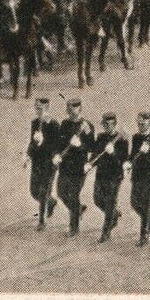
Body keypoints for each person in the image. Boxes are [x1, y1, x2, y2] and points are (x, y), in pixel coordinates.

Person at [55, 97, 94, 237]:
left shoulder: (87, 126)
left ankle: (74, 227)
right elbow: (59, 142)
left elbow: (91, 147)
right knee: (61, 193)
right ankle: (78, 209)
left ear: (80, 109)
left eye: (74, 109)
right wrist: (57, 155)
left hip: (78, 166)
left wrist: (80, 145)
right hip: (65, 165)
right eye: (69, 109)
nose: (71, 112)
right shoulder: (64, 124)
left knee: (73, 194)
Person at [90, 112, 129, 243]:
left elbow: (122, 160)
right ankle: (114, 214)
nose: (107, 127)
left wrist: (113, 153)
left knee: (110, 203)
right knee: (97, 200)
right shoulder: (101, 137)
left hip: (114, 176)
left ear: (115, 124)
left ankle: (105, 232)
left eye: (109, 124)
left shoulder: (122, 140)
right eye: (105, 125)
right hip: (101, 174)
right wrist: (89, 163)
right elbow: (96, 154)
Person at [26, 97, 60, 231]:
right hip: (37, 162)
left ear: (47, 109)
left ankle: (41, 221)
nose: (38, 111)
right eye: (36, 108)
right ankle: (51, 202)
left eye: (40, 109)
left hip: (49, 162)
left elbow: (57, 146)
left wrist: (42, 142)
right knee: (34, 191)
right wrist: (28, 155)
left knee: (43, 191)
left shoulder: (53, 124)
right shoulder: (35, 123)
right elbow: (32, 142)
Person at [128, 112, 150, 246]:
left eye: (144, 122)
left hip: (149, 177)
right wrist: (129, 162)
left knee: (145, 204)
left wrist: (149, 152)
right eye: (139, 122)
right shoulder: (136, 137)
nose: (141, 124)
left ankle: (144, 236)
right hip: (137, 175)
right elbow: (133, 154)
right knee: (134, 203)